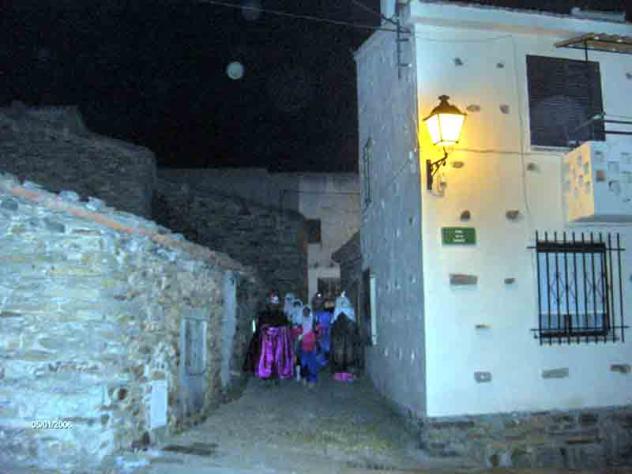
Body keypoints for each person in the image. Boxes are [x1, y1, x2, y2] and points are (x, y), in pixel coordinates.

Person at [243, 290, 293, 381]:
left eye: (275, 302)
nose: (273, 305)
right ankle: (264, 371)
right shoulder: (263, 314)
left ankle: (277, 372)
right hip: (265, 343)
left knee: (277, 356)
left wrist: (278, 332)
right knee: (263, 355)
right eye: (272, 302)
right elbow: (260, 327)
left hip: (278, 343)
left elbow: (285, 329)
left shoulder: (281, 315)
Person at [330, 291, 360, 376]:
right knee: (341, 353)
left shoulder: (349, 317)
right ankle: (341, 371)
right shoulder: (340, 318)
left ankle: (346, 371)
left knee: (348, 353)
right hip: (341, 343)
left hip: (347, 343)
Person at [298, 305, 320, 388]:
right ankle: (304, 377)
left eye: (307, 311)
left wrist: (315, 337)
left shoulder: (314, 322)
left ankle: (312, 379)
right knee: (303, 363)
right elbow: (297, 333)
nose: (305, 313)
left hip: (312, 345)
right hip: (303, 346)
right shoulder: (300, 321)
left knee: (312, 363)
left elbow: (318, 333)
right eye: (304, 311)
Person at [312, 292, 332, 359]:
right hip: (316, 340)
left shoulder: (329, 314)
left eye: (320, 300)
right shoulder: (312, 314)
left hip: (326, 339)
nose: (318, 302)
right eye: (317, 300)